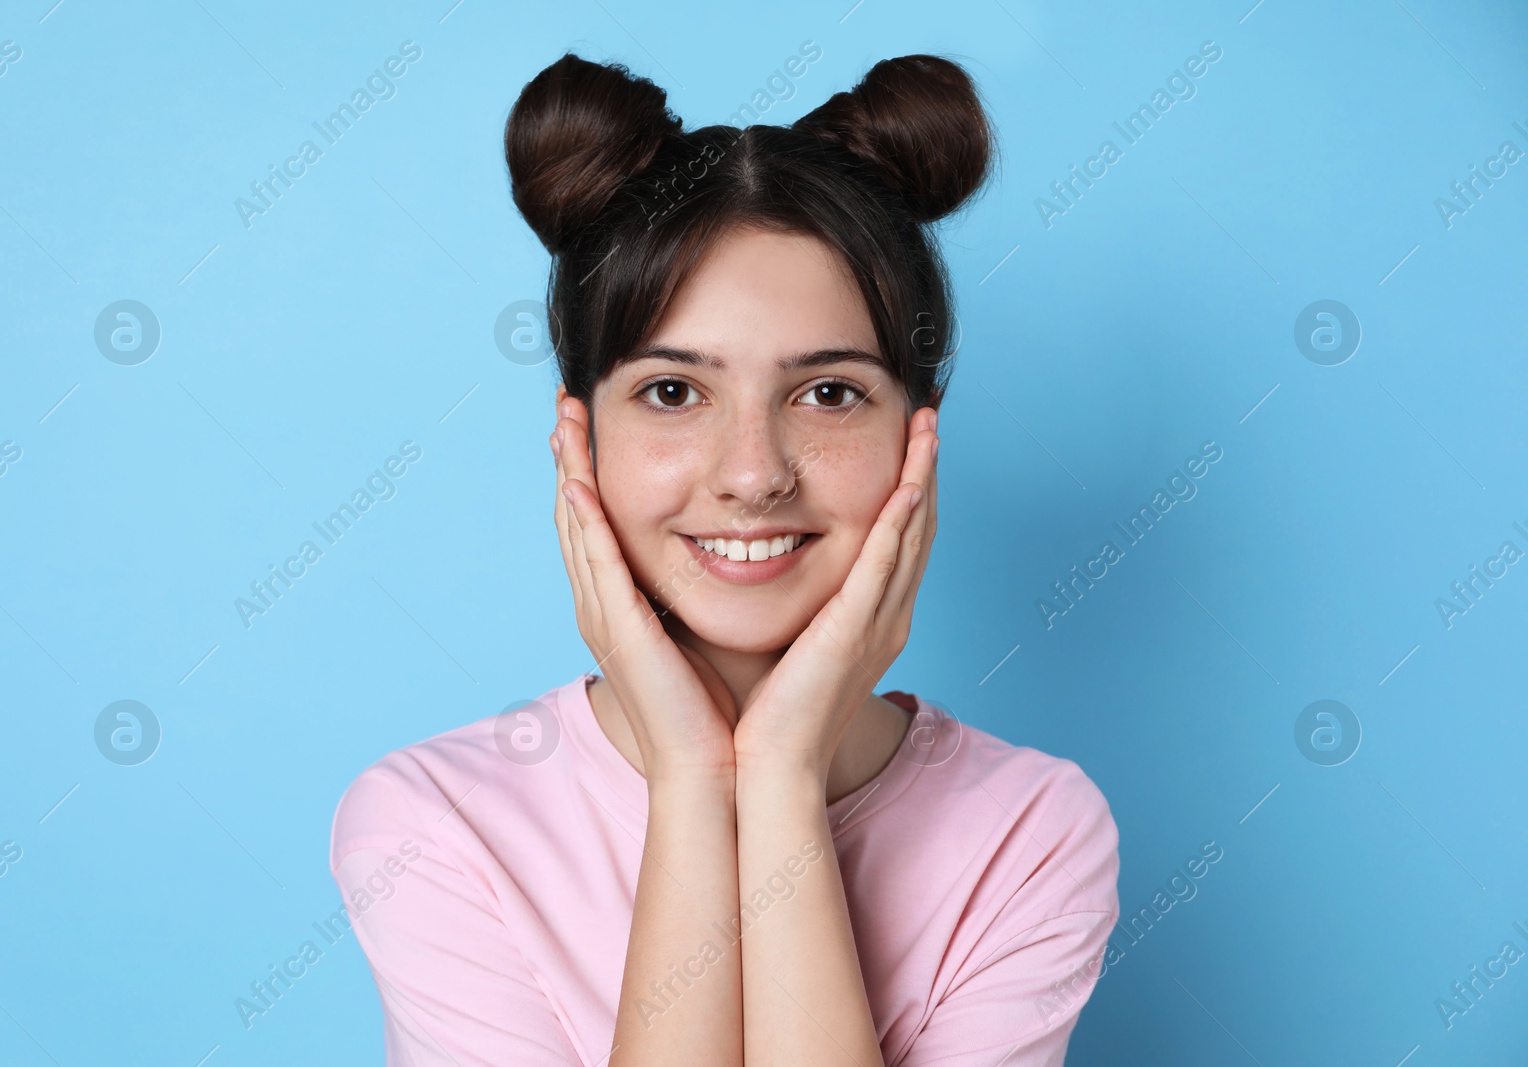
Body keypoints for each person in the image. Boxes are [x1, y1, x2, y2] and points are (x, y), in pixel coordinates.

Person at [330, 50, 1119, 1066]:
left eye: (828, 391)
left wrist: (780, 776)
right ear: (580, 438)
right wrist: (697, 775)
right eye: (672, 391)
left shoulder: (1032, 831)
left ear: (919, 434)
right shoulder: (431, 825)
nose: (752, 475)